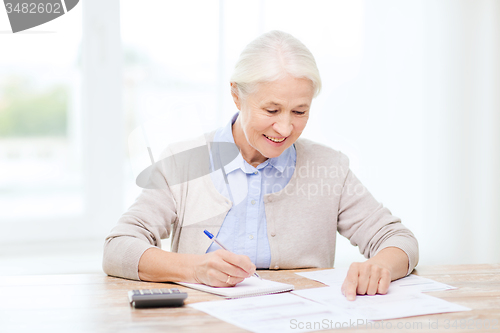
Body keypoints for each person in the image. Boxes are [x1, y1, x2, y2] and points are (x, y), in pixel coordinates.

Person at [103, 30, 418, 301]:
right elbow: (118, 249)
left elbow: (398, 239)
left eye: (299, 112)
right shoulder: (185, 162)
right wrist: (194, 268)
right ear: (237, 96)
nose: (284, 128)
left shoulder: (329, 167)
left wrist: (381, 267)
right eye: (271, 109)